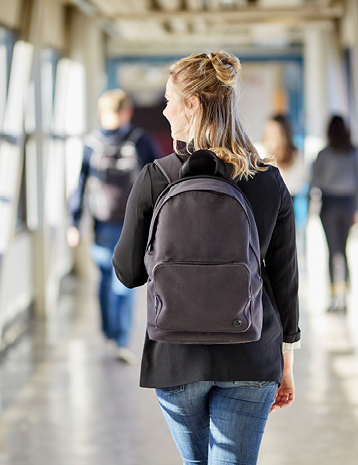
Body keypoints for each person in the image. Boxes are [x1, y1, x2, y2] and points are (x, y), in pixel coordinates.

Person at [112, 51, 300, 464]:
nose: (163, 109)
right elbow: (284, 279)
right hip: (252, 351)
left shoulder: (156, 177)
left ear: (192, 104)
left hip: (176, 356)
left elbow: (126, 273)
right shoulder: (268, 180)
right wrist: (286, 361)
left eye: (168, 99)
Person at [67, 89, 160, 362]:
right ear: (127, 112)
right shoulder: (141, 141)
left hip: (105, 222)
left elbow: (81, 184)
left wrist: (75, 221)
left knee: (111, 279)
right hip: (129, 223)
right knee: (119, 280)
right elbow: (156, 181)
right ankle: (117, 337)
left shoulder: (91, 144)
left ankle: (112, 335)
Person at [310, 115, 358, 312]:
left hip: (330, 203)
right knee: (343, 249)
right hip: (347, 203)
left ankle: (334, 296)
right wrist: (356, 208)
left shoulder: (324, 154)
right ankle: (344, 296)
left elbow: (315, 182)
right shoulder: (352, 154)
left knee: (333, 251)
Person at [260, 114, 309, 261]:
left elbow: (300, 180)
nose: (272, 136)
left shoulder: (296, 154)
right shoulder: (260, 151)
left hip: (290, 201)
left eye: (276, 132)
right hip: (266, 202)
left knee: (288, 246)